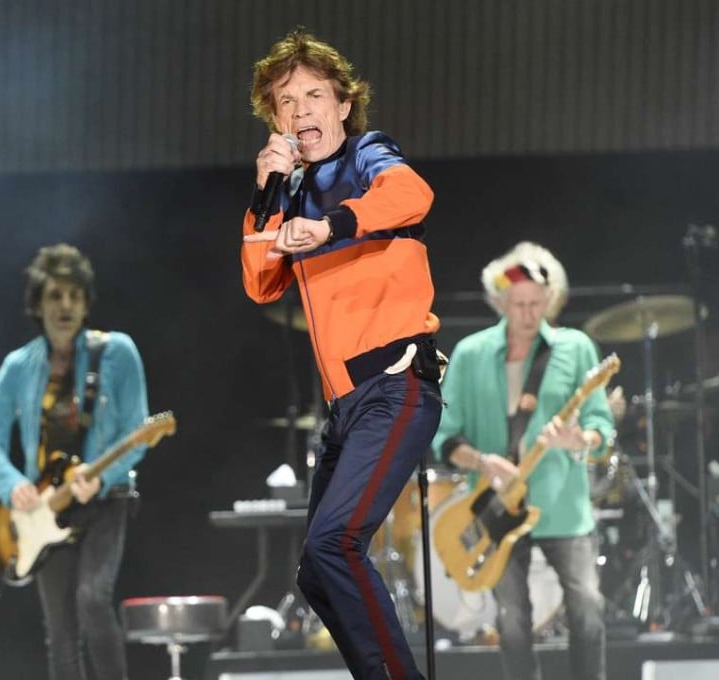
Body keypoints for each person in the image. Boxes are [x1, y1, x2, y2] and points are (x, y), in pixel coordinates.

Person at [242, 28, 444, 679]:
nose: (302, 110)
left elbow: (413, 195)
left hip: (394, 385)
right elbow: (260, 282)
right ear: (274, 120)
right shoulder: (289, 192)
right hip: (344, 410)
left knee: (335, 544)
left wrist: (332, 225)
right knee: (314, 571)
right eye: (286, 101)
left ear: (343, 104)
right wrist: (264, 196)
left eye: (314, 95)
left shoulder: (368, 154)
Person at [432, 241, 615, 680]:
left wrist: (578, 439)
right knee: (512, 620)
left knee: (588, 608)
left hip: (562, 507)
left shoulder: (575, 348)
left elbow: (602, 429)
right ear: (500, 301)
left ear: (550, 300)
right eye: (519, 304)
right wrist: (483, 461)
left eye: (537, 303)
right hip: (494, 505)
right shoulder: (471, 353)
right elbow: (444, 434)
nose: (529, 314)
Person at [0, 243, 148, 680]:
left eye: (74, 295)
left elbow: (137, 432)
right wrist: (13, 484)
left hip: (107, 498)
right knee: (61, 632)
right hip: (46, 507)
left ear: (87, 301)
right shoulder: (18, 366)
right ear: (37, 303)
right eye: (55, 295)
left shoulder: (117, 352)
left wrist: (102, 477)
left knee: (91, 598)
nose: (65, 305)